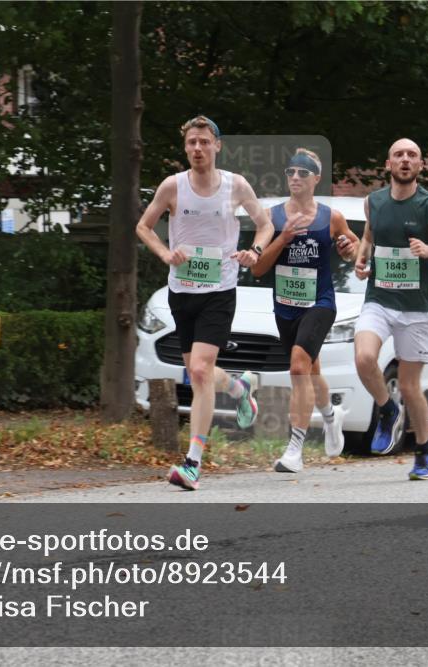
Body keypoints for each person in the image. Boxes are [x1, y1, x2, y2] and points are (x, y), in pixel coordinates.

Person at [136, 116, 275, 491]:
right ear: (185, 148)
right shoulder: (172, 186)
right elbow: (143, 227)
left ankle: (193, 462)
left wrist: (255, 251)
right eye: (191, 143)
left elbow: (266, 225)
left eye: (204, 142)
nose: (198, 148)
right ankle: (239, 389)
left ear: (217, 146)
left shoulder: (235, 186)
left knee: (198, 370)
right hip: (181, 292)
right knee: (199, 373)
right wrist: (166, 254)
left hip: (219, 290)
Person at [353, 138, 428, 480]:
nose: (405, 160)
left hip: (415, 308)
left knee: (409, 387)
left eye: (412, 155)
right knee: (363, 358)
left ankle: (424, 451)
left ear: (420, 165)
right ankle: (387, 411)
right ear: (388, 165)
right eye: (398, 155)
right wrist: (362, 259)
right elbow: (370, 237)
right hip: (379, 299)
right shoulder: (372, 202)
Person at [251, 149, 359, 472]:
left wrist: (348, 248)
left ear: (316, 178)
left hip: (320, 303)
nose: (295, 177)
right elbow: (258, 270)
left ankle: (295, 449)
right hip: (285, 306)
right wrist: (283, 238)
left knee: (298, 367)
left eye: (303, 172)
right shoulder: (272, 217)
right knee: (311, 369)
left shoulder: (331, 217)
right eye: (291, 172)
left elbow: (353, 248)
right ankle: (331, 416)